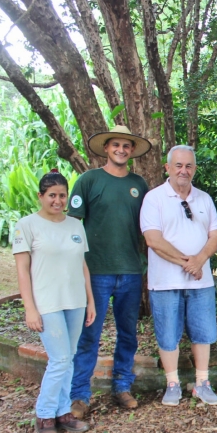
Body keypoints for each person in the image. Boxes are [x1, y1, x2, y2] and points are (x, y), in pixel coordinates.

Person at [68, 125, 151, 418]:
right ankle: (79, 395)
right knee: (89, 335)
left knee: (128, 333)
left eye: (126, 146)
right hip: (96, 271)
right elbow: (72, 227)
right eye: (116, 145)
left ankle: (122, 387)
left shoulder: (139, 184)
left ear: (132, 150)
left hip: (130, 271)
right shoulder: (89, 180)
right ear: (106, 148)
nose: (121, 150)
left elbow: (149, 226)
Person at [13, 171, 96, 433]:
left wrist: (90, 301)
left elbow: (82, 265)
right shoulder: (27, 225)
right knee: (59, 359)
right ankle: (45, 413)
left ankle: (63, 411)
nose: (58, 200)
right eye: (52, 195)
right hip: (47, 302)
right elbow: (22, 271)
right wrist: (30, 308)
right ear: (41, 196)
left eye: (62, 195)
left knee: (68, 357)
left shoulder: (75, 225)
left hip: (75, 301)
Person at [140, 145, 217, 407]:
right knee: (168, 335)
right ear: (167, 168)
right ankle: (172, 384)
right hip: (165, 282)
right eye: (178, 165)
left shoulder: (204, 199)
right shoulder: (154, 198)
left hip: (201, 282)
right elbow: (153, 240)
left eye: (188, 166)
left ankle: (202, 383)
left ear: (194, 169)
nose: (183, 170)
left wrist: (199, 260)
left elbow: (216, 236)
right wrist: (187, 263)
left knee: (203, 333)